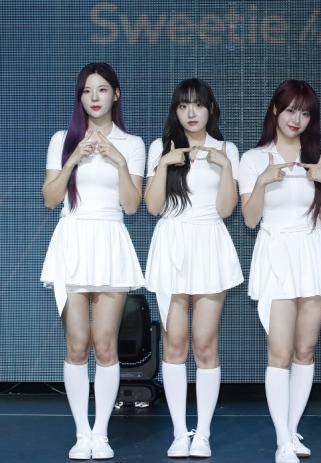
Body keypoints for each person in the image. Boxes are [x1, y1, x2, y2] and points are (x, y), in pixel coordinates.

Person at [41, 62, 146, 460]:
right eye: (87, 91)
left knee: (104, 344)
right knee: (77, 344)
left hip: (110, 240)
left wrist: (119, 160)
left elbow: (132, 206)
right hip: (73, 240)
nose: (95, 97)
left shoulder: (132, 144)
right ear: (80, 97)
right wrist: (73, 159)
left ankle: (101, 434)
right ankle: (81, 433)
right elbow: (50, 199)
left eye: (102, 90)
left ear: (115, 94)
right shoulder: (62, 139)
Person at [239, 79, 321, 463]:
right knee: (280, 352)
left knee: (305, 349)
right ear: (275, 110)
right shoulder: (254, 159)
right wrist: (262, 183)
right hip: (275, 254)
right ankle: (282, 440)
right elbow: (250, 220)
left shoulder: (320, 158)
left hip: (314, 253)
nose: (296, 119)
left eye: (304, 112)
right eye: (290, 110)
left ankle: (292, 430)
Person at [144, 78, 243, 458]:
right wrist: (163, 165)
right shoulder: (161, 147)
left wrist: (225, 166)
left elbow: (226, 210)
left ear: (210, 109)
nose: (191, 112)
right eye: (183, 105)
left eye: (198, 104)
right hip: (171, 242)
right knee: (174, 343)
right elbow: (153, 207)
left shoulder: (226, 149)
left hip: (209, 244)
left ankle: (202, 433)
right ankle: (178, 433)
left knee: (204, 344)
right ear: (176, 110)